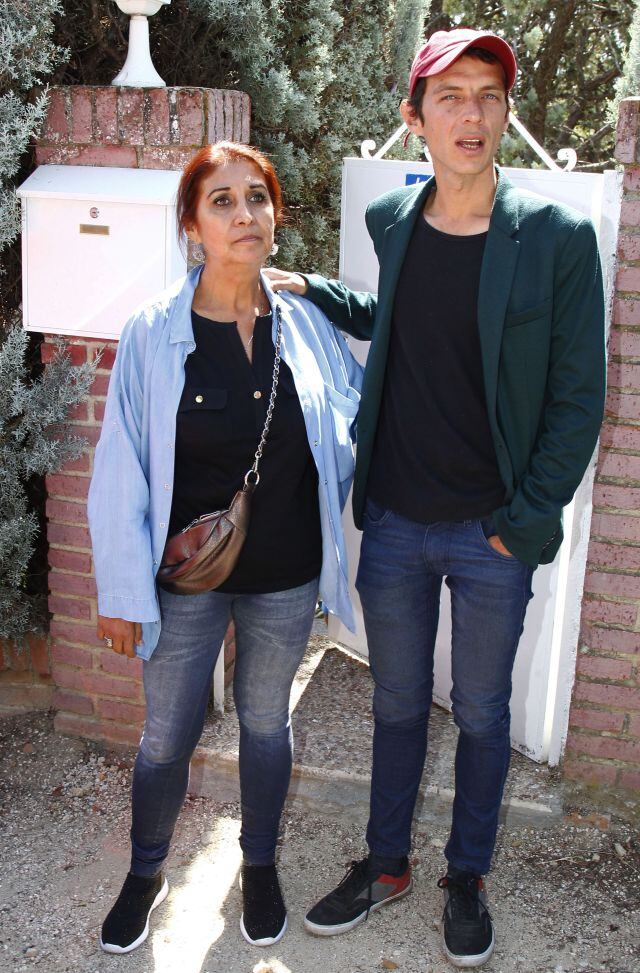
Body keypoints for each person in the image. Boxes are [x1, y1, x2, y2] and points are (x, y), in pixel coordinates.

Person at [266, 28, 606, 968]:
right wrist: (320, 292)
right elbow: (399, 318)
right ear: (416, 118)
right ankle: (385, 863)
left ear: (504, 113)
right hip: (400, 520)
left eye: (489, 95)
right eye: (451, 96)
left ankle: (466, 874)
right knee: (399, 705)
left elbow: (580, 398)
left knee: (486, 712)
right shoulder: (396, 221)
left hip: (493, 531)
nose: (473, 113)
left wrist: (523, 525)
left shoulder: (556, 239)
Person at [87, 141, 362, 954]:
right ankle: (145, 873)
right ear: (192, 225)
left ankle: (261, 865)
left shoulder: (305, 321)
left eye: (258, 199)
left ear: (275, 215)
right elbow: (122, 466)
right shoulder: (153, 331)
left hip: (285, 573)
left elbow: (349, 413)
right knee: (166, 734)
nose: (246, 215)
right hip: (187, 581)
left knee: (266, 725)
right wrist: (123, 591)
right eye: (223, 201)